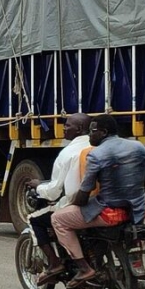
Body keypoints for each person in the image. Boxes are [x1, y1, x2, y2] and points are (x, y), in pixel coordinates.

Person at [44, 114, 145, 288]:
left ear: (103, 132)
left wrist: (70, 204)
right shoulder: (138, 147)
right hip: (138, 208)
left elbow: (85, 192)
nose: (89, 136)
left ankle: (84, 268)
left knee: (58, 219)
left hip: (109, 210)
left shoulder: (96, 154)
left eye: (92, 132)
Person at [25, 113, 92, 264]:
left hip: (75, 205)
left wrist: (39, 186)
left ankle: (54, 262)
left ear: (79, 129)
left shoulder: (67, 153)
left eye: (68, 125)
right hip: (98, 203)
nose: (64, 129)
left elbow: (53, 191)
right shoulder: (97, 147)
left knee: (34, 219)